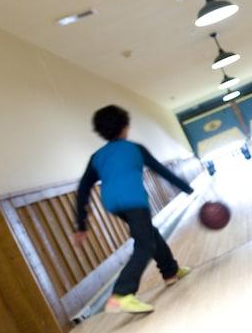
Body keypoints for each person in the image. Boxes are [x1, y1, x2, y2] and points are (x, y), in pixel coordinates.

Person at [74, 105, 195, 314]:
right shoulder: (135, 148)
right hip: (134, 200)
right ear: (124, 127)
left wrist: (81, 224)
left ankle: (170, 271)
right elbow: (161, 171)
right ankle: (122, 293)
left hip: (112, 203)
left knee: (150, 234)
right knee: (144, 244)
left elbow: (83, 189)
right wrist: (187, 187)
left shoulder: (97, 156)